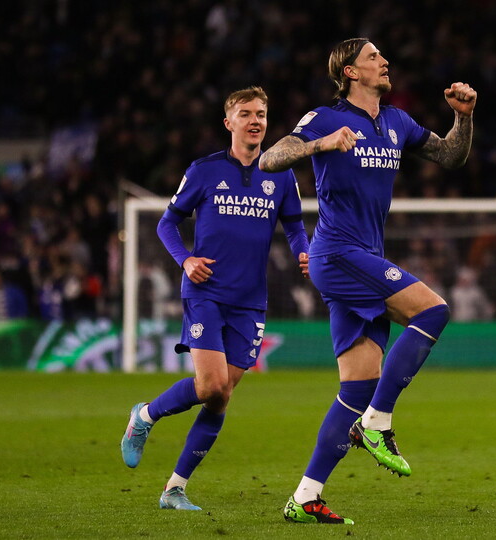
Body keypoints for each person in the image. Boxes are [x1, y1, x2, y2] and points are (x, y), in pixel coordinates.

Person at [260, 38, 476, 524]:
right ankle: (377, 423)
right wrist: (323, 144)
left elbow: (450, 157)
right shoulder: (324, 117)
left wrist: (463, 117)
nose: (384, 62)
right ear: (350, 72)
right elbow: (271, 160)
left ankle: (305, 496)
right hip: (337, 252)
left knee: (357, 387)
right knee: (433, 310)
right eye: (374, 57)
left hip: (364, 256)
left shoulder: (396, 121)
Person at [120, 86, 309, 512]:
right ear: (229, 122)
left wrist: (304, 250)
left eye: (261, 113)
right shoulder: (204, 171)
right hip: (206, 292)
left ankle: (174, 489)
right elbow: (167, 224)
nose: (256, 120)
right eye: (246, 113)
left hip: (250, 301)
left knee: (222, 396)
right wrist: (186, 261)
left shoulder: (281, 174)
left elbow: (295, 225)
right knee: (211, 386)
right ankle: (145, 415)